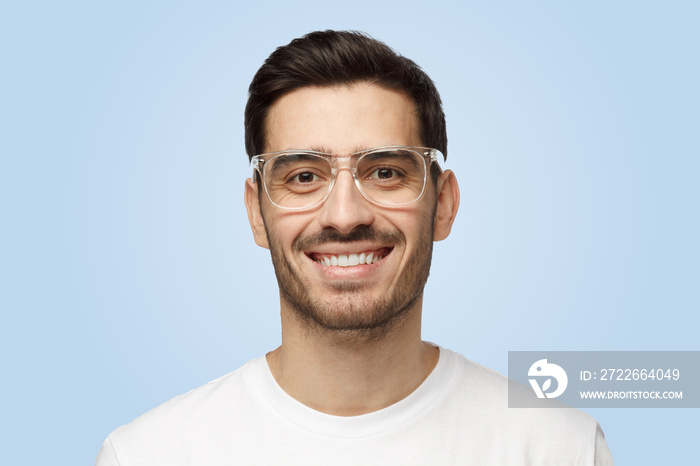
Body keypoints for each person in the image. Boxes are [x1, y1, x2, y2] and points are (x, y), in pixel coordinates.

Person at [96, 30, 613, 465]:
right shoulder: (148, 454)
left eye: (386, 172)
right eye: (303, 176)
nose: (345, 215)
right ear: (256, 212)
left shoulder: (559, 448)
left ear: (445, 204)